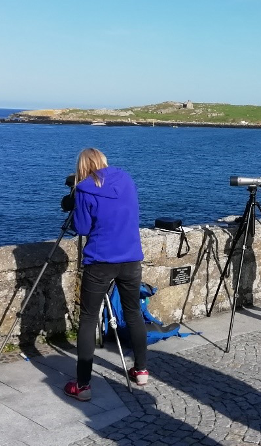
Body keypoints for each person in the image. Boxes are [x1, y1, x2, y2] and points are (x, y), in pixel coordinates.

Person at [63, 148, 149, 402]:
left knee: (89, 318)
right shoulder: (126, 179)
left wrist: (75, 202)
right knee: (133, 313)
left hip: (100, 260)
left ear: (82, 167)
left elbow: (81, 228)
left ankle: (83, 385)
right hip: (131, 257)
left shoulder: (84, 190)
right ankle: (141, 370)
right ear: (103, 161)